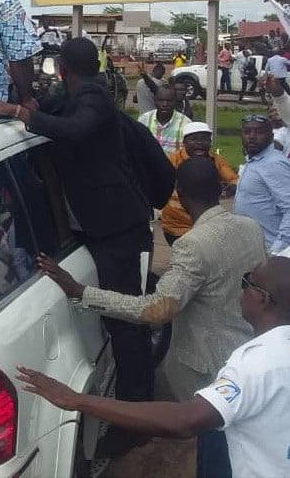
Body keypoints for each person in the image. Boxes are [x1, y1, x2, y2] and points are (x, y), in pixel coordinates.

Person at [37, 156, 264, 476]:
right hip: (249, 354)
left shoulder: (193, 245)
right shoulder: (250, 227)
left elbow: (158, 310)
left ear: (180, 194)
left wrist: (82, 293)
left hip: (212, 373)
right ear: (219, 188)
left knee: (218, 451)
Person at [0, 38, 155, 421]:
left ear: (62, 69)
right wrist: (27, 103)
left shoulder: (93, 98)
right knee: (121, 322)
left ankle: (137, 412)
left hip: (116, 230)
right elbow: (50, 110)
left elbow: (75, 129)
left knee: (126, 322)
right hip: (99, 229)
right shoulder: (72, 96)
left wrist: (16, 110)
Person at [18, 254, 290, 478]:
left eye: (247, 282)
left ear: (263, 299)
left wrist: (77, 400)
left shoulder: (255, 364)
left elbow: (186, 420)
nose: (240, 290)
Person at [162, 122, 238, 245]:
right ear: (184, 142)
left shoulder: (216, 160)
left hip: (207, 222)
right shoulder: (173, 160)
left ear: (210, 142)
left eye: (204, 139)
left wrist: (231, 187)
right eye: (193, 139)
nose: (199, 143)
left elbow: (234, 180)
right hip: (177, 225)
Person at [234, 114, 290, 253]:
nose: (252, 136)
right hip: (251, 250)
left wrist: (277, 250)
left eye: (259, 132)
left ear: (271, 137)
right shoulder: (254, 160)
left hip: (269, 250)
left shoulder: (274, 163)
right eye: (247, 132)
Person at [137, 86, 190, 155]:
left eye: (169, 101)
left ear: (175, 101)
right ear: (155, 101)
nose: (165, 104)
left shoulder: (185, 123)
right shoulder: (144, 120)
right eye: (161, 100)